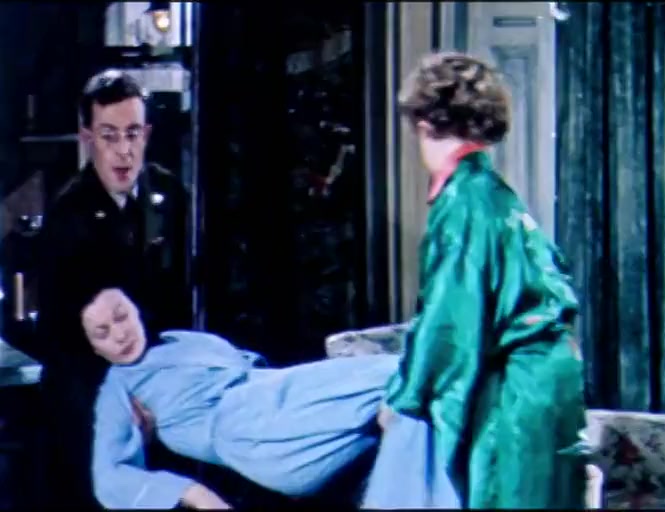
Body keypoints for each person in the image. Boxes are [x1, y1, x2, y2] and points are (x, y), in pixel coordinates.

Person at [377, 52, 587, 509]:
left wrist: (404, 398)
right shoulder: (495, 194)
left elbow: (451, 319)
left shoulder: (464, 203)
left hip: (518, 387)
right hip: (552, 380)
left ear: (424, 125)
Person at [82, 288, 436, 509]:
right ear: (94, 349)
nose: (120, 334)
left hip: (277, 410)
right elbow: (108, 477)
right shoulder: (117, 390)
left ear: (136, 309)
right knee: (401, 372)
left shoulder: (178, 340)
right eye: (103, 333)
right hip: (248, 432)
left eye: (121, 317)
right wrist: (197, 496)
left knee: (403, 399)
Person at [30, 69, 193, 509]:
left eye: (133, 134)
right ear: (88, 139)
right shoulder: (68, 215)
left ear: (147, 134)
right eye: (109, 136)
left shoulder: (171, 195)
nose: (124, 150)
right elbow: (62, 339)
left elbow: (179, 301)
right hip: (93, 398)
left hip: (165, 387)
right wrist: (123, 403)